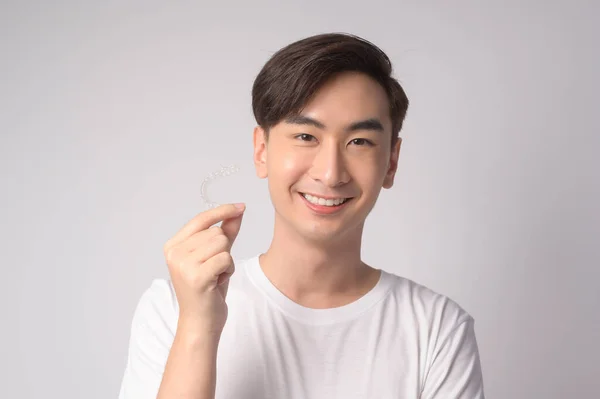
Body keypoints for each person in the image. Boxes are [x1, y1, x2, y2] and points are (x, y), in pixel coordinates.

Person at [118, 32, 485, 399]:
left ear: (391, 161)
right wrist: (199, 327)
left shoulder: (437, 329)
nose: (330, 173)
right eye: (306, 136)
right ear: (262, 151)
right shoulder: (174, 308)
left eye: (359, 142)